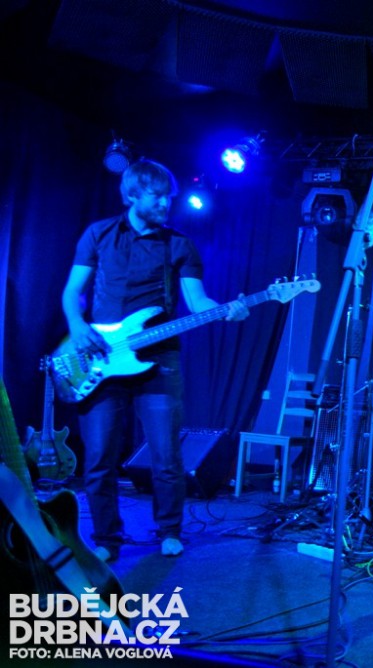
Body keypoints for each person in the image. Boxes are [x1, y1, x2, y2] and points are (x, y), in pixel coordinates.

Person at [62, 158, 248, 563]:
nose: (166, 203)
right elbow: (73, 291)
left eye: (169, 196)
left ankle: (169, 531)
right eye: (157, 196)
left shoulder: (179, 244)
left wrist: (226, 310)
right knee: (98, 458)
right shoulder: (98, 234)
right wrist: (77, 326)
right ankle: (107, 538)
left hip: (159, 359)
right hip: (102, 357)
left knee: (166, 454)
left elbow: (197, 301)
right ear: (132, 195)